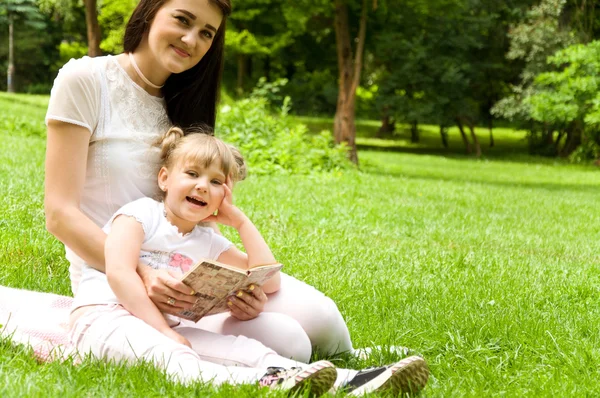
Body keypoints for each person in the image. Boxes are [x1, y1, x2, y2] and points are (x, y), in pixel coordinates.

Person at [68, 126, 429, 396]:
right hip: (105, 317)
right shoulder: (140, 214)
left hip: (169, 326)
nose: (202, 187)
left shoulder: (207, 239)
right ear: (164, 178)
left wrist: (240, 221)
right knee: (175, 359)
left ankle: (355, 381)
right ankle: (276, 381)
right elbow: (117, 272)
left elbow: (269, 281)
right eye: (192, 174)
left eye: (215, 182)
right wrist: (163, 331)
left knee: (242, 349)